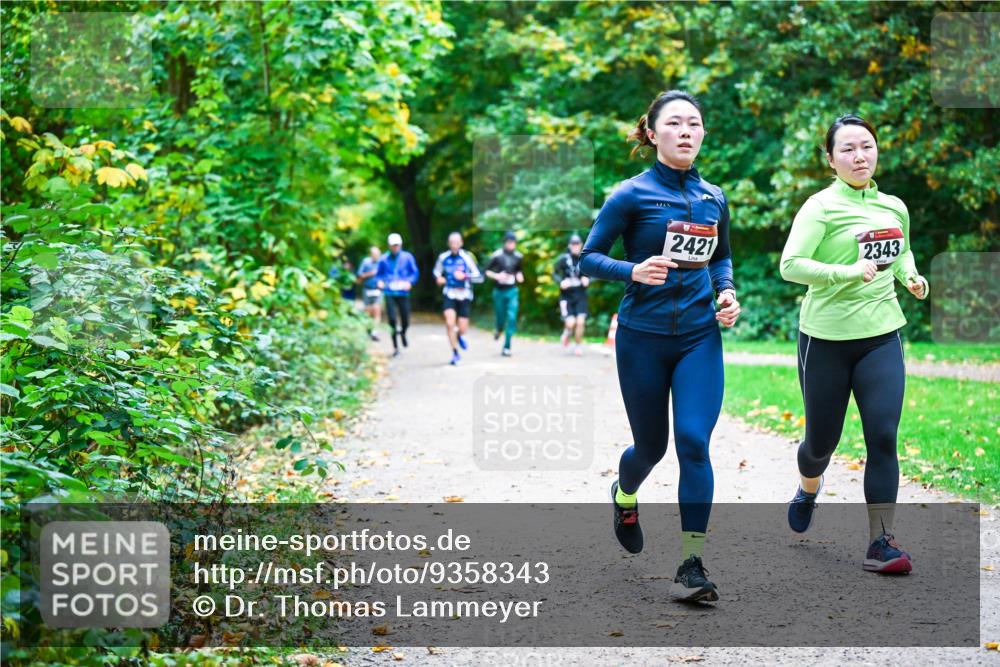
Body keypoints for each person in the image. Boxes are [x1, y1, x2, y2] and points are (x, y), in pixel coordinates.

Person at [580, 90, 741, 603]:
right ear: (652, 134)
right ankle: (624, 496)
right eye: (674, 123)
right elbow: (587, 259)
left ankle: (691, 564)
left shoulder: (714, 196)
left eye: (694, 123)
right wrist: (634, 270)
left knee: (694, 442)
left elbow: (721, 258)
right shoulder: (629, 195)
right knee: (651, 447)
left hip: (698, 336)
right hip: (642, 338)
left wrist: (727, 292)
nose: (687, 131)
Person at [780, 113, 929, 574]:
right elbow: (791, 265)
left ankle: (881, 541)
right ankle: (808, 486)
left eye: (866, 146)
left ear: (876, 150)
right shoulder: (820, 207)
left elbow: (899, 248)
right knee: (821, 443)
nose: (859, 155)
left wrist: (910, 276)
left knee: (883, 436)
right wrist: (845, 272)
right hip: (825, 338)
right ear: (831, 159)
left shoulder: (894, 206)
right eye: (847, 149)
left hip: (881, 334)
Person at [433, 231, 483, 366]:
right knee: (449, 323)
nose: (454, 245)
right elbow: (436, 271)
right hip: (449, 293)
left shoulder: (467, 257)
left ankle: (460, 335)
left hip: (464, 295)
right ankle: (455, 352)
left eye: (457, 242)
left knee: (462, 328)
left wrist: (465, 276)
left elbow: (479, 276)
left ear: (461, 243)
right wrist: (439, 278)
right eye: (452, 243)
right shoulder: (443, 257)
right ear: (448, 244)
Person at [376, 233, 419, 357]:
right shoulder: (383, 259)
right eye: (393, 245)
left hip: (403, 292)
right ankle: (396, 348)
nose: (395, 248)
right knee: (392, 320)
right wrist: (380, 282)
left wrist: (410, 282)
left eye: (397, 245)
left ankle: (403, 332)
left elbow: (414, 272)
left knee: (405, 318)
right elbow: (378, 274)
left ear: (400, 245)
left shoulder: (407, 257)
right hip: (389, 291)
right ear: (389, 246)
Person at [485, 231, 524, 357]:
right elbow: (486, 271)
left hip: (512, 290)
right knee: (500, 317)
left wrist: (519, 276)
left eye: (513, 242)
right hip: (499, 291)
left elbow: (519, 271)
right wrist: (497, 276)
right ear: (505, 243)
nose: (511, 245)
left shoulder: (519, 256)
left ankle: (507, 347)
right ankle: (498, 329)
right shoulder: (497, 255)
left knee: (512, 317)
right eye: (509, 242)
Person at [554, 233, 590, 356]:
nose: (575, 247)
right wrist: (561, 282)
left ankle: (578, 346)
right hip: (566, 296)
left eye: (578, 244)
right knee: (571, 323)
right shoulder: (563, 259)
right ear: (569, 245)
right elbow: (554, 273)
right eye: (573, 244)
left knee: (580, 322)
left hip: (580, 295)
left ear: (581, 245)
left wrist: (587, 279)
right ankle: (567, 332)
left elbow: (594, 273)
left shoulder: (585, 259)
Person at [357, 246, 383, 341]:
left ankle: (375, 332)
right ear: (371, 255)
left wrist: (383, 282)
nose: (376, 256)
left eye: (378, 254)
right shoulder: (366, 262)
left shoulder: (382, 262)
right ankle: (369, 329)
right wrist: (371, 273)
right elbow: (359, 275)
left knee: (377, 309)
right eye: (374, 254)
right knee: (368, 311)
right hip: (367, 289)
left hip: (378, 290)